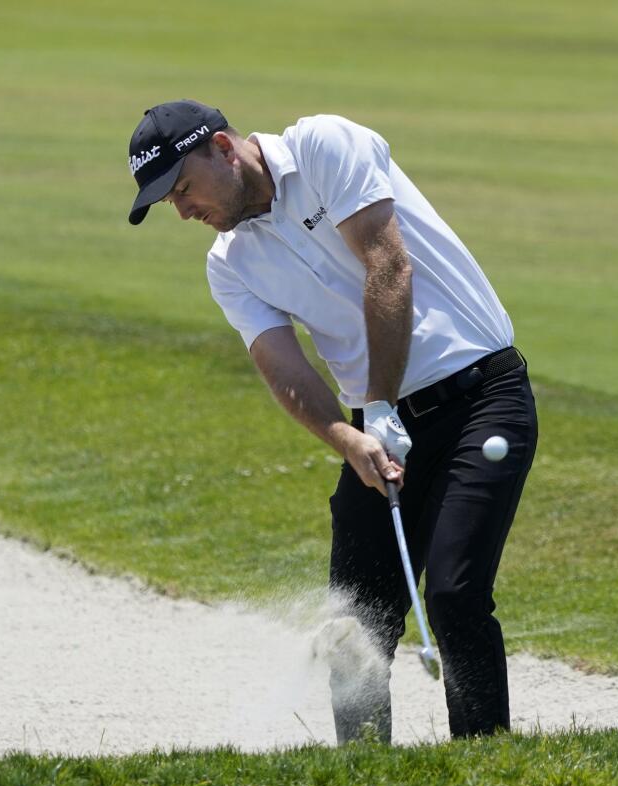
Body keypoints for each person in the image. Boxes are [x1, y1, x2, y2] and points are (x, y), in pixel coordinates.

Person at [126, 99, 538, 742]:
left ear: (224, 150)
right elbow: (281, 364)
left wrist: (377, 405)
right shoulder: (229, 263)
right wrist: (347, 435)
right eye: (168, 202)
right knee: (354, 623)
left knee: (455, 596)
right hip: (373, 429)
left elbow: (388, 264)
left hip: (481, 395)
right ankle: (365, 774)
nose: (181, 210)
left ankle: (485, 762)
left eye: (181, 188)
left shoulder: (324, 146)